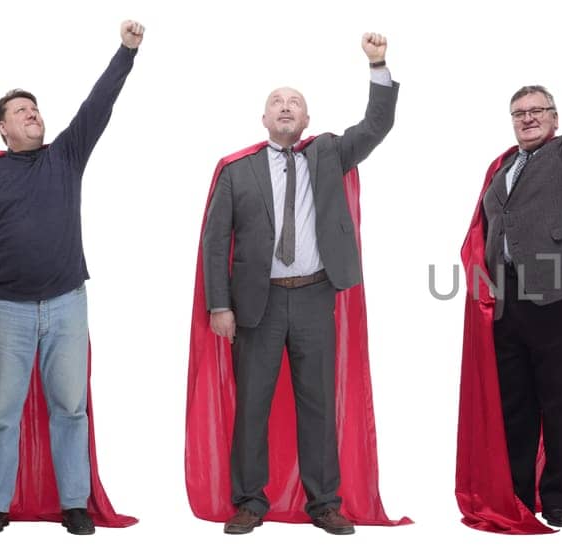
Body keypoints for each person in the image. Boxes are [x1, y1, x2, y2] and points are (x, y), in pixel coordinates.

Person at [0, 20, 146, 536]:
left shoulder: (66, 157)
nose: (33, 114)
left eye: (36, 108)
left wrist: (127, 51)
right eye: (20, 111)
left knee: (70, 407)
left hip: (68, 304)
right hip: (6, 309)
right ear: (3, 128)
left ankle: (74, 503)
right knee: (1, 412)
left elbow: (99, 103)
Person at [198, 32, 399, 536]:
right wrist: (219, 306)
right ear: (264, 118)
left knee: (318, 403)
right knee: (252, 406)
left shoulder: (329, 153)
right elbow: (214, 242)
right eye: (276, 103)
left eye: (295, 104)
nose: (286, 108)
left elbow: (378, 124)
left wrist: (377, 64)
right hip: (255, 305)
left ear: (307, 120)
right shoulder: (235, 171)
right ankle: (249, 501)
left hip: (314, 295)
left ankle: (325, 502)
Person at [454, 71, 562, 533]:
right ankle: (518, 494)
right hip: (506, 298)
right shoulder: (501, 168)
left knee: (561, 401)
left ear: (555, 118)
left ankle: (559, 499)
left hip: (560, 289)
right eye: (520, 113)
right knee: (514, 403)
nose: (528, 119)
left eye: (537, 111)